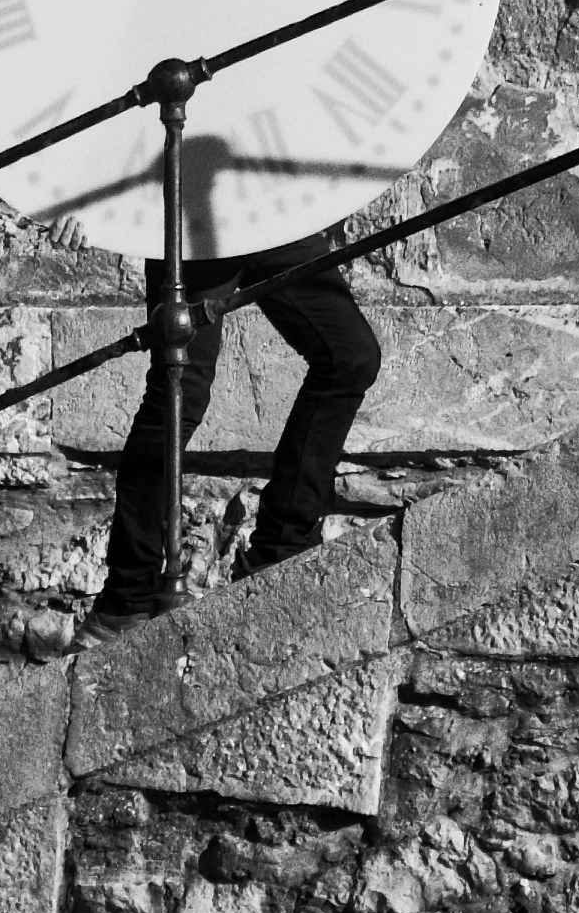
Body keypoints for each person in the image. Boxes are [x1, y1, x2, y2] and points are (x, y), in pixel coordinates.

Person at [81, 230, 380, 635]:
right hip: (193, 218)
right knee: (178, 392)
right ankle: (126, 599)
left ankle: (280, 552)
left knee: (350, 356)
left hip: (271, 204)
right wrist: (72, 199)